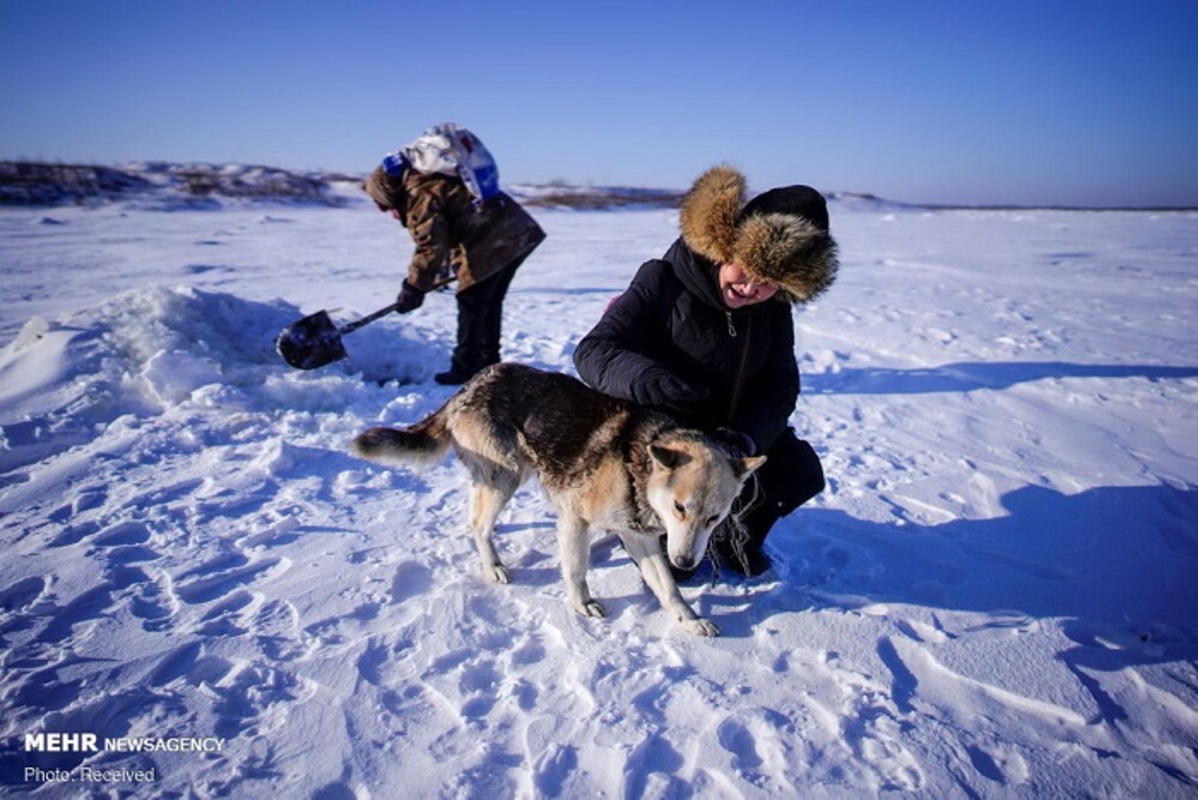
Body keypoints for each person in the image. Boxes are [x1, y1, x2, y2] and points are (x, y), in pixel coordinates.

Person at [573, 165, 838, 577]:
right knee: (676, 570)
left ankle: (737, 534)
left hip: (731, 436)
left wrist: (746, 438)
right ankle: (654, 529)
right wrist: (648, 380)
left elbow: (781, 386)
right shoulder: (662, 280)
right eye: (746, 269)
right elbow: (594, 351)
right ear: (726, 246)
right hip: (667, 439)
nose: (752, 289)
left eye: (769, 283)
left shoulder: (773, 310)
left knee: (798, 472)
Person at [363, 153, 546, 385]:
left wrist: (413, 287)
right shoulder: (430, 181)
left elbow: (431, 246)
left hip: (497, 239)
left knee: (471, 299)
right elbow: (453, 230)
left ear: (389, 193)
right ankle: (488, 363)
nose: (388, 213)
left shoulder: (419, 194)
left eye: (383, 206)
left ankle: (466, 368)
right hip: (519, 231)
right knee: (487, 301)